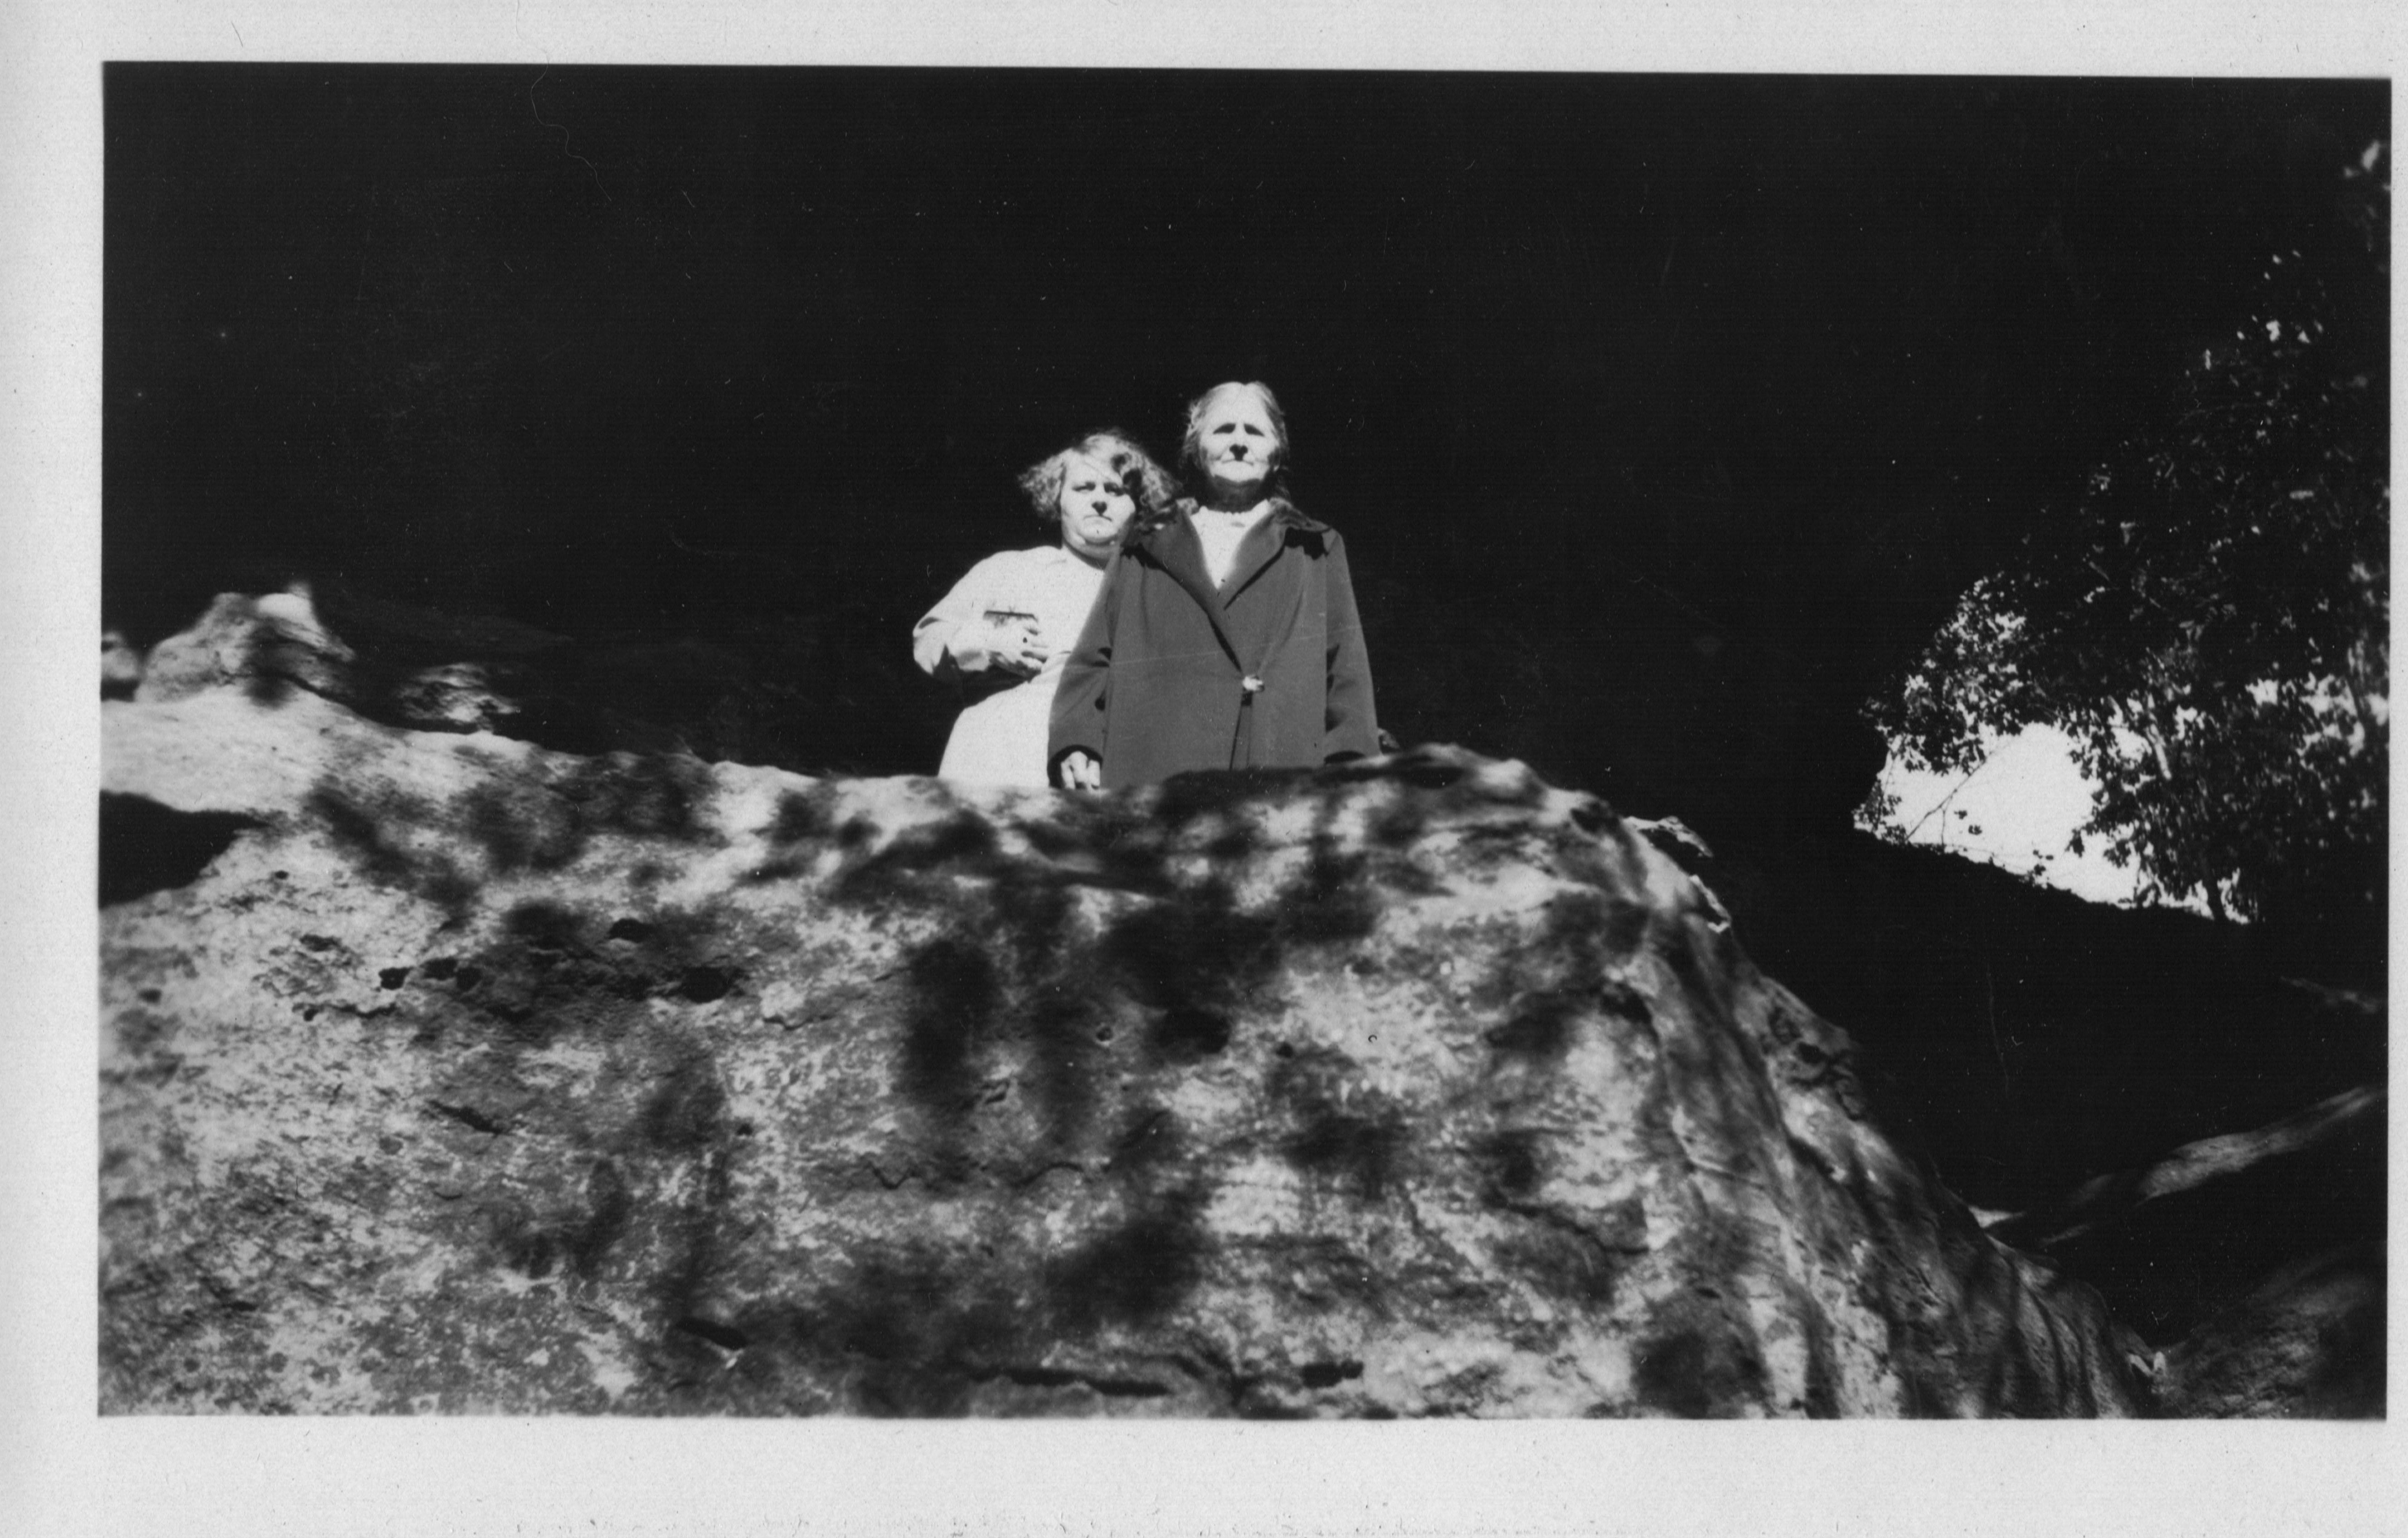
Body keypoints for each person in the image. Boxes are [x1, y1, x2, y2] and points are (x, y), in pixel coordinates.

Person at [1050, 381, 1378, 789]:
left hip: (1272, 767)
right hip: (1154, 766)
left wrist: (1352, 766)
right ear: (1196, 448)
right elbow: (1093, 655)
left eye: (1254, 431)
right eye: (1223, 430)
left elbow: (1346, 670)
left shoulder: (1315, 547)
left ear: (1277, 452)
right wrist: (1076, 740)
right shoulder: (1144, 543)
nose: (1239, 442)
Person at [913, 431, 1176, 786]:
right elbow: (929, 639)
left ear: (1138, 505)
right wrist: (986, 642)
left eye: (1115, 491)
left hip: (1117, 760)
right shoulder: (1011, 570)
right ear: (1057, 498)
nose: (1100, 500)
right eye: (1084, 488)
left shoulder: (1157, 587)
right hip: (1006, 756)